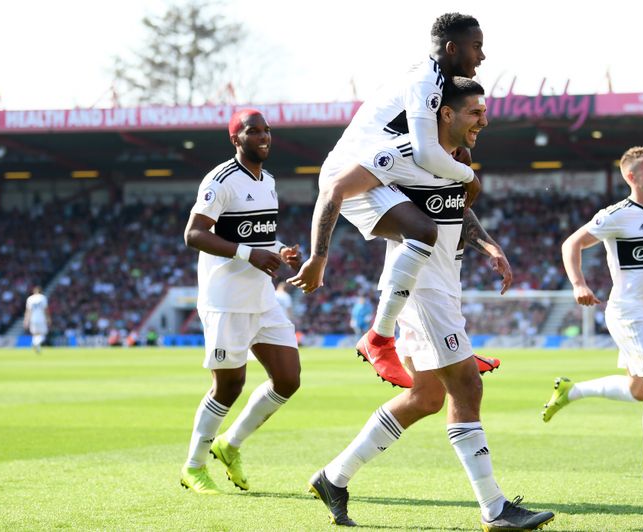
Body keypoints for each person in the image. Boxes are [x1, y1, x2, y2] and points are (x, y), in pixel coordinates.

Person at [307, 78, 554, 531]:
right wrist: (318, 256)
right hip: (423, 291)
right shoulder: (402, 154)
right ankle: (495, 508)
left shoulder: (453, 160)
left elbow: (455, 207)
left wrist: (487, 245)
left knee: (425, 397)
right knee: (467, 389)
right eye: (475, 112)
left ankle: (333, 477)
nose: (484, 120)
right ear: (444, 114)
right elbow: (336, 190)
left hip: (442, 285)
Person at [288, 13, 489, 388]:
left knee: (440, 234)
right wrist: (467, 175)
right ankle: (380, 339)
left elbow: (431, 148)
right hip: (357, 174)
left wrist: (460, 163)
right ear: (452, 48)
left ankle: (450, 345)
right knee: (423, 231)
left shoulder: (435, 79)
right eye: (476, 46)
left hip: (390, 170)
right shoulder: (426, 80)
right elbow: (426, 152)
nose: (482, 55)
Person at [542, 146, 643, 484]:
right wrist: (578, 284)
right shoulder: (617, 214)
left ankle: (572, 390)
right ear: (631, 176)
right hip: (629, 313)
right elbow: (572, 244)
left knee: (639, 390)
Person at [180, 108, 304, 495]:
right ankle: (194, 466)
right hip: (225, 300)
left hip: (262, 298)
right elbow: (194, 234)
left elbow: (259, 234)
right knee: (229, 386)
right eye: (253, 131)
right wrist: (249, 255)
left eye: (267, 130)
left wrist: (280, 251)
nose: (263, 136)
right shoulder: (220, 180)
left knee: (288, 378)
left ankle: (229, 444)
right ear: (236, 139)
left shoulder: (267, 180)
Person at [24, 285, 50, 354]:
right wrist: (48, 318)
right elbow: (45, 310)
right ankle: (36, 343)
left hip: (33, 319)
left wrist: (26, 320)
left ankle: (37, 347)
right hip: (41, 318)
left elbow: (28, 311)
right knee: (43, 334)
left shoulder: (30, 298)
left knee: (35, 334)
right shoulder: (43, 298)